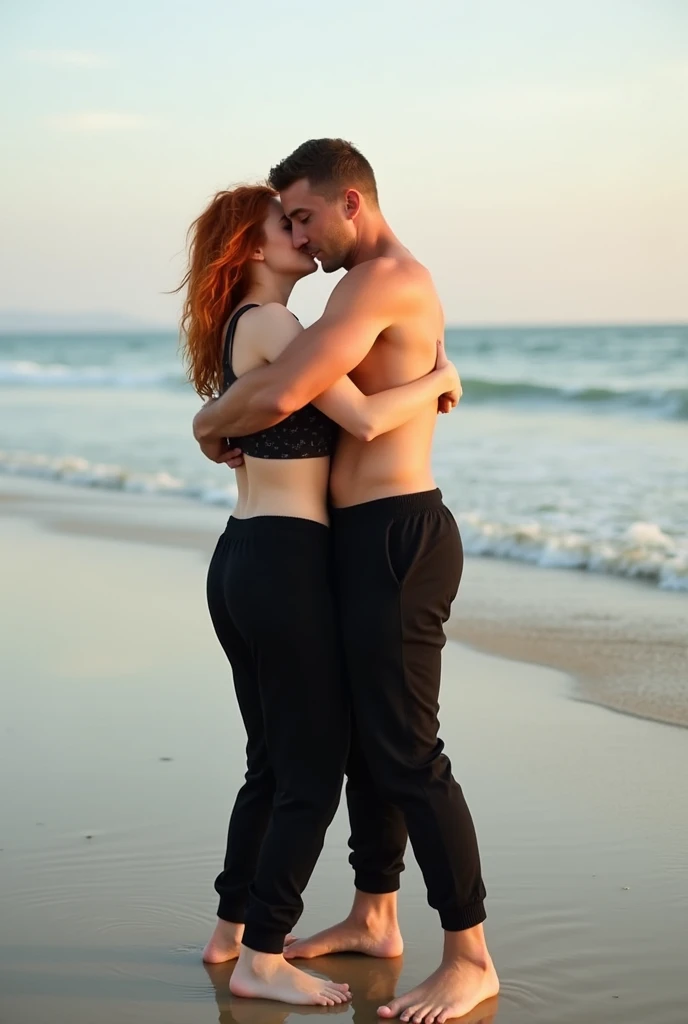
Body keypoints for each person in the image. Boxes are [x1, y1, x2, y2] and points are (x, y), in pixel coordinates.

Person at [193, 140, 500, 1024]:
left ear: (351, 203)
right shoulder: (342, 292)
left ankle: (470, 956)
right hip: (355, 539)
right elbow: (299, 393)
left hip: (398, 534)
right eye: (283, 222)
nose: (298, 232)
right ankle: (375, 915)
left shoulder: (380, 281)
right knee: (368, 745)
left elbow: (290, 391)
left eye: (303, 216)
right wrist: (219, 419)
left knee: (406, 752)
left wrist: (208, 421)